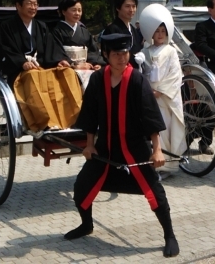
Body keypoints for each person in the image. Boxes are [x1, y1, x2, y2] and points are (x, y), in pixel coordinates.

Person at [66, 33, 179, 258]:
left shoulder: (137, 80)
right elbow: (90, 115)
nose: (121, 58)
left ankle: (169, 235)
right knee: (81, 188)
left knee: (156, 195)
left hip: (135, 148)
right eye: (116, 54)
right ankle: (86, 225)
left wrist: (156, 150)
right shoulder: (98, 79)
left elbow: (150, 118)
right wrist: (89, 146)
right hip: (105, 149)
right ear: (106, 55)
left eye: (125, 53)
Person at [136, 5, 187, 180]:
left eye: (163, 31)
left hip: (166, 97)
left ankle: (169, 166)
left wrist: (160, 90)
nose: (159, 34)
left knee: (168, 130)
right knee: (155, 132)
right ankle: (156, 164)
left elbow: (175, 74)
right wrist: (148, 89)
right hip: (150, 96)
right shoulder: (144, 51)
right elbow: (141, 74)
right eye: (156, 31)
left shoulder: (171, 50)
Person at [0, 0, 68, 87]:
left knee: (66, 72)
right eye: (29, 4)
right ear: (18, 6)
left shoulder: (41, 26)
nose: (33, 7)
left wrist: (59, 60)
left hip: (40, 66)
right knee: (33, 76)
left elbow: (51, 47)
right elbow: (6, 49)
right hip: (18, 69)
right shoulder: (7, 26)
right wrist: (22, 62)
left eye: (35, 4)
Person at [50, 0, 105, 70]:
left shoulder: (84, 31)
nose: (77, 13)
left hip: (86, 68)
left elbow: (93, 51)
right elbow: (56, 54)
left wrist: (95, 63)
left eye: (79, 10)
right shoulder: (57, 31)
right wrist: (74, 65)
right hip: (67, 69)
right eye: (74, 10)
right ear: (63, 11)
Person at [102, 0, 144, 68]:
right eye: (127, 6)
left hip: (134, 72)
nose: (131, 10)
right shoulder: (111, 30)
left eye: (134, 6)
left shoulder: (134, 30)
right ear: (118, 8)